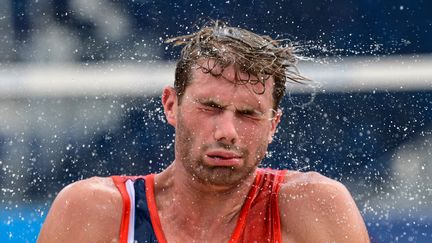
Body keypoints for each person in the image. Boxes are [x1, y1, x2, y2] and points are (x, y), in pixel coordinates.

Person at [38, 21, 370, 243]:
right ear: (171, 105)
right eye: (210, 107)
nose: (227, 131)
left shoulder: (312, 206)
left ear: (273, 125)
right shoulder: (94, 211)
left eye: (248, 114)